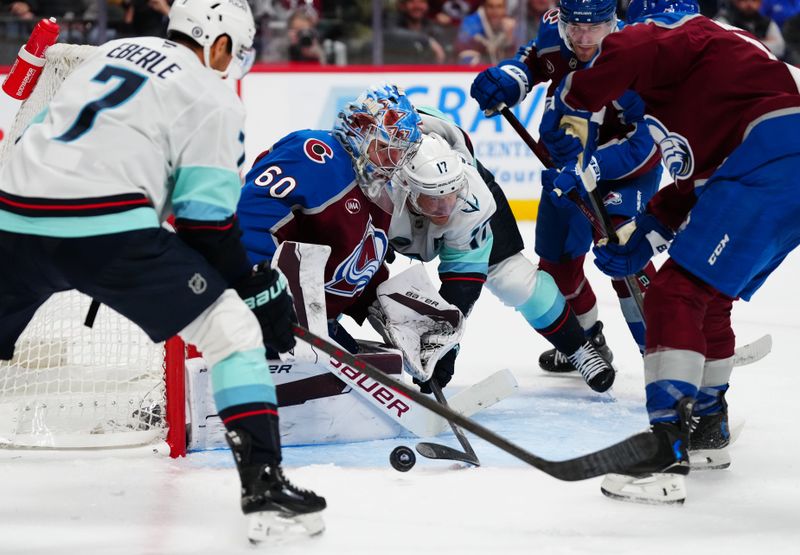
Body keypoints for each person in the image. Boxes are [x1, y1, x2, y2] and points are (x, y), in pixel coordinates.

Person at [0, 0, 325, 541]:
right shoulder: (211, 95)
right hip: (106, 231)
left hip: (12, 215)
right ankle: (266, 493)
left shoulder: (107, 54)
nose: (235, 64)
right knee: (232, 331)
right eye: (237, 52)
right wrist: (253, 288)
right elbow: (205, 224)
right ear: (218, 43)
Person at [550, 0, 800, 504]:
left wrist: (570, 112)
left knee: (673, 295)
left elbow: (614, 61)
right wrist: (642, 234)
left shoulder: (673, 31)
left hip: (772, 158)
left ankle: (666, 452)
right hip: (768, 166)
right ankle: (708, 429)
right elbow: (691, 187)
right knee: (710, 297)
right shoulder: (703, 85)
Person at [469, 0, 663, 374]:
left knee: (624, 249)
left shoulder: (639, 55)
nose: (583, 38)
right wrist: (508, 80)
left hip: (628, 168)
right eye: (575, 27)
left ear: (613, 22)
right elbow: (530, 62)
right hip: (567, 163)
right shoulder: (555, 32)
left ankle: (664, 354)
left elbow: (647, 143)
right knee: (557, 263)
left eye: (594, 28)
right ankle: (588, 342)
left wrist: (593, 165)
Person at [388, 109, 616, 393]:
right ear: (406, 188)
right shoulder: (376, 190)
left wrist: (443, 344)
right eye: (436, 200)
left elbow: (462, 283)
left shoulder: (471, 197)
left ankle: (579, 347)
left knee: (513, 281)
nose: (447, 209)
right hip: (394, 204)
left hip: (445, 192)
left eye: (452, 195)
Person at [237, 84, 423, 352]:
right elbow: (248, 221)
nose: (393, 162)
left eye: (401, 153)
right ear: (359, 129)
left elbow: (351, 273)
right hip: (258, 309)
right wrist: (263, 292)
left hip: (314, 323)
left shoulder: (380, 193)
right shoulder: (315, 154)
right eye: (386, 148)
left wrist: (397, 315)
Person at [715, 0, 786, 58]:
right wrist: (762, 42)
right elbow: (727, 49)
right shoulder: (723, 21)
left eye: (754, 0)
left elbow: (780, 48)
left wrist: (743, 44)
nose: (749, 3)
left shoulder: (767, 22)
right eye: (744, 0)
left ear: (760, 2)